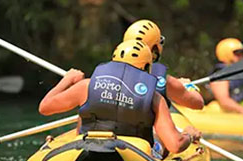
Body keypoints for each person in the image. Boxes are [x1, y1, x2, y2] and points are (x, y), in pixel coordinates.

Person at [39, 40, 202, 154]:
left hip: (87, 145)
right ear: (147, 66)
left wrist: (67, 79)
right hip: (136, 154)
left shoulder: (86, 86)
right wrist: (188, 135)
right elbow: (175, 145)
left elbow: (45, 107)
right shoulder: (154, 98)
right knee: (161, 141)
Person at [123, 19, 204, 109]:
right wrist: (189, 87)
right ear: (154, 49)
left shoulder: (108, 71)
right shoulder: (163, 81)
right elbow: (198, 103)